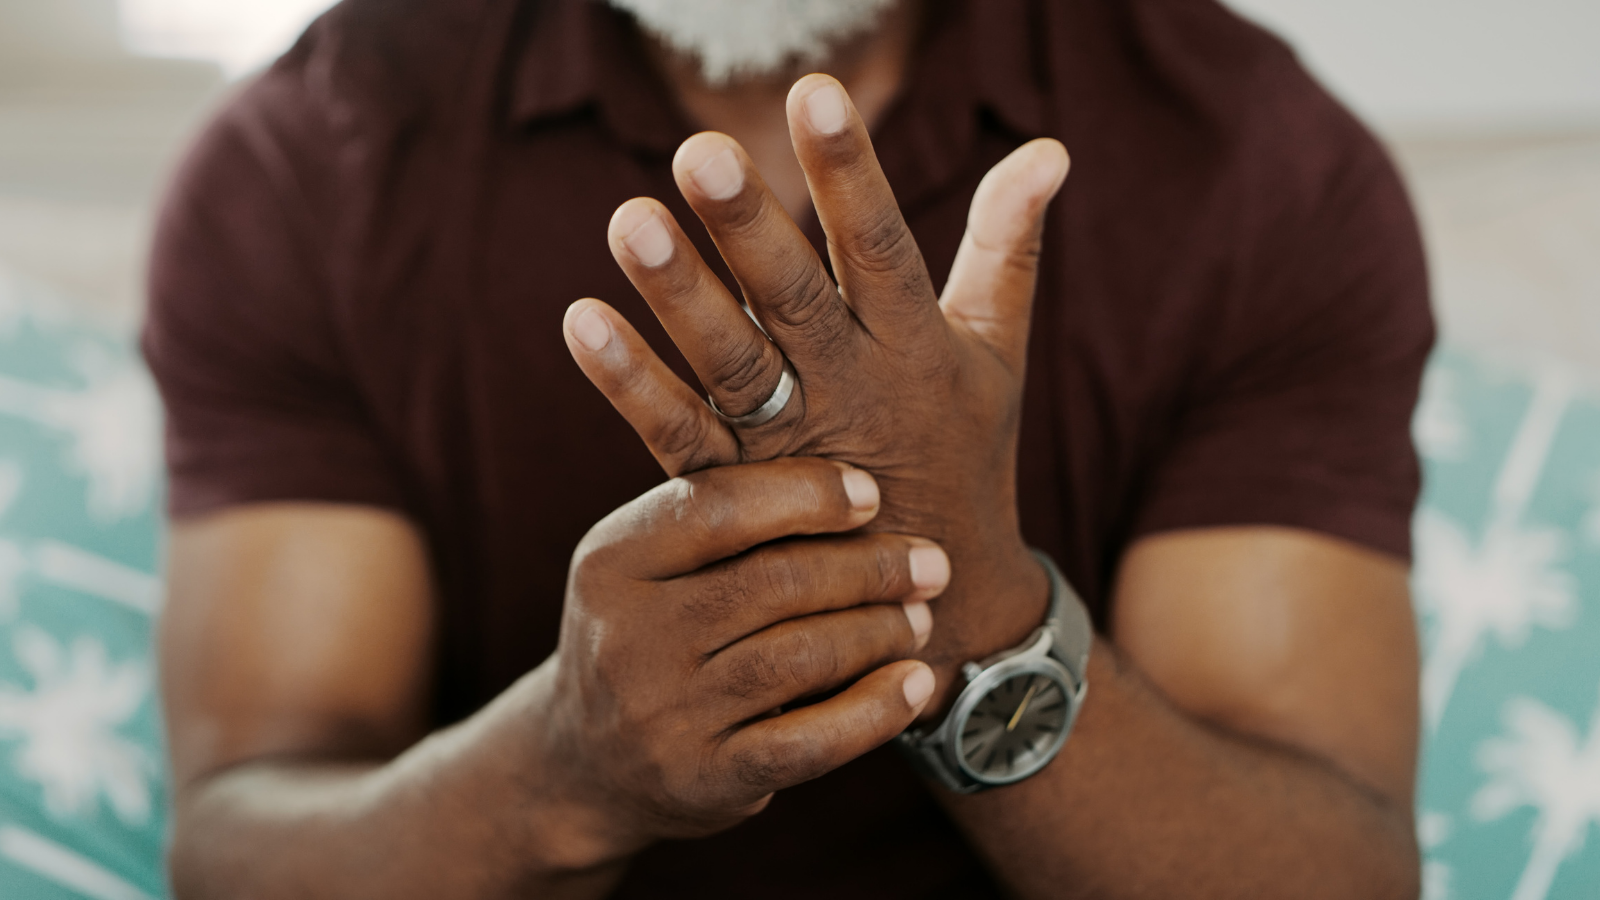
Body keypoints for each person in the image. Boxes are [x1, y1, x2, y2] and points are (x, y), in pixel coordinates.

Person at [143, 0, 1433, 896]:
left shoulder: (1256, 163)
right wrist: (561, 770)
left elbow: (1332, 874)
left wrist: (975, 614)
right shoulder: (306, 164)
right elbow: (242, 842)